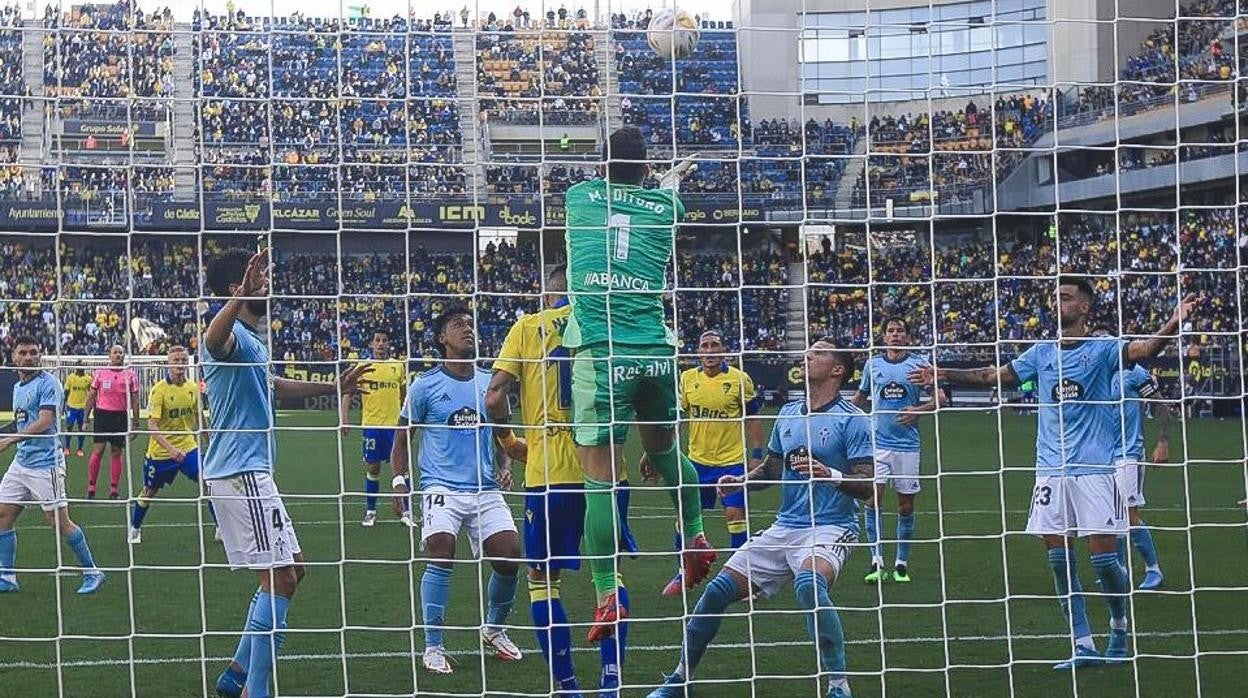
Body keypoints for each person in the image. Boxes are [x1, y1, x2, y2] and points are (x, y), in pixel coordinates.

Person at [909, 278, 1194, 668]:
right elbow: (993, 376)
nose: (1057, 302)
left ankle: (1118, 627)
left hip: (1095, 470)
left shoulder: (1102, 350)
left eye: (1066, 297)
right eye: (1055, 297)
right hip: (1049, 471)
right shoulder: (1041, 354)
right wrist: (942, 372)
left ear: (1084, 308)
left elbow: (1144, 349)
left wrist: (1173, 322)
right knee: (1059, 562)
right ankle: (1082, 644)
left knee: (1104, 563)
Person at [648, 339, 874, 698]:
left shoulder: (853, 419)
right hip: (786, 526)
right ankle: (678, 681)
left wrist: (828, 473)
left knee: (808, 587)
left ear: (838, 369)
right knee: (715, 593)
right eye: (809, 349)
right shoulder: (787, 413)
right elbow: (771, 468)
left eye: (819, 351)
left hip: (832, 527)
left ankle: (838, 687)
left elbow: (869, 485)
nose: (808, 354)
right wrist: (742, 481)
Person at [563, 125, 710, 642]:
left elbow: (612, 191)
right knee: (667, 454)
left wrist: (644, 180)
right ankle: (693, 535)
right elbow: (665, 199)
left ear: (603, 165)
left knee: (599, 476)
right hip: (655, 348)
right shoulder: (663, 208)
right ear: (647, 169)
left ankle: (608, 594)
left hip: (602, 351)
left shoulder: (578, 197)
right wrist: (665, 183)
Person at [203, 248, 371, 698]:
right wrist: (239, 296)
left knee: (295, 569)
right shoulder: (232, 333)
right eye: (259, 277)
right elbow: (211, 340)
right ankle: (252, 690)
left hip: (250, 471)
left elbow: (274, 386)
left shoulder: (254, 343)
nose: (267, 283)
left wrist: (332, 386)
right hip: (240, 471)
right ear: (234, 288)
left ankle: (236, 672)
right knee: (279, 578)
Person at [486, 264, 637, 695]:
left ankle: (567, 684)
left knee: (541, 580)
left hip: (549, 472)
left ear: (546, 295)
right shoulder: (608, 323)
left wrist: (509, 441)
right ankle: (612, 681)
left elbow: (495, 396)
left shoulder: (529, 326)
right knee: (610, 576)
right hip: (606, 467)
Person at [391, 306, 522, 675]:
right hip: (440, 487)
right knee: (441, 551)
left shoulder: (491, 383)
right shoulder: (424, 385)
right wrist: (399, 481)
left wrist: (506, 465)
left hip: (484, 487)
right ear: (441, 338)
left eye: (469, 324)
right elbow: (402, 438)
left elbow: (502, 435)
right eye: (457, 325)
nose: (467, 329)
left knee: (510, 555)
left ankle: (494, 629)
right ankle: (433, 646)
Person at [655, 329, 763, 596]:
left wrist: (756, 455)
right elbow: (677, 420)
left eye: (716, 345)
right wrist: (659, 451)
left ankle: (741, 577)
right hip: (697, 463)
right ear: (699, 351)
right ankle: (684, 572)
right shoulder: (687, 379)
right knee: (686, 519)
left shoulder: (740, 379)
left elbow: (753, 418)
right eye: (705, 345)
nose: (711, 350)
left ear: (723, 350)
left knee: (735, 516)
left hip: (732, 462)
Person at [0, 336, 105, 595]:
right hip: (21, 463)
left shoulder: (49, 383)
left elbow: (45, 421)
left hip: (45, 465)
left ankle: (93, 572)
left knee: (59, 522)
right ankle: (8, 577)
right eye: (23, 353)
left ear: (41, 355)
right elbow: (22, 422)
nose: (28, 357)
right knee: (3, 516)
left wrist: (10, 440)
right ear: (14, 357)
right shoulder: (18, 386)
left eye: (33, 352)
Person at [851, 317, 937, 584]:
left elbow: (941, 399)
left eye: (900, 330)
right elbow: (860, 397)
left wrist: (919, 410)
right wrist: (846, 419)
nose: (896, 334)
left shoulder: (920, 365)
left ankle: (901, 563)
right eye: (891, 331)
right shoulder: (872, 365)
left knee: (906, 505)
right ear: (884, 337)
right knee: (871, 499)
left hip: (908, 447)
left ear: (908, 337)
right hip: (878, 445)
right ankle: (876, 560)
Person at [128, 346, 217, 544]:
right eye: (175, 360)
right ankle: (135, 527)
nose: (179, 364)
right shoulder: (158, 390)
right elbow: (152, 426)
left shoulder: (192, 388)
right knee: (149, 491)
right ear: (168, 363)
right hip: (160, 453)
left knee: (208, 482)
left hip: (187, 447)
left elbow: (199, 418)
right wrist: (170, 449)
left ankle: (220, 527)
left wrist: (211, 443)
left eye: (183, 360)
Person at [1106, 352, 1171, 590]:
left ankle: (1153, 569)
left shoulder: (1134, 372)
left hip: (1128, 452)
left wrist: (1163, 441)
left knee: (1129, 515)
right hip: (1099, 455)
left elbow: (1160, 405)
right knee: (1109, 516)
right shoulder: (1094, 372)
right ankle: (1119, 571)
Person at [341, 330, 407, 527]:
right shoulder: (363, 366)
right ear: (371, 344)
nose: (381, 344)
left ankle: (406, 512)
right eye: (377, 340)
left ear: (389, 344)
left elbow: (404, 396)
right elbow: (347, 393)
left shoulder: (398, 366)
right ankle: (370, 511)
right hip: (372, 425)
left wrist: (408, 420)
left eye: (384, 340)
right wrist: (344, 418)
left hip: (394, 426)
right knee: (373, 467)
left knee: (402, 470)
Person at [85, 345, 140, 499]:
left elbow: (135, 400)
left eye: (121, 352)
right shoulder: (100, 373)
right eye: (115, 352)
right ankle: (91, 486)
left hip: (120, 416)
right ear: (109, 355)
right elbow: (91, 396)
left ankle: (114, 489)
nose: (118, 355)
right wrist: (86, 418)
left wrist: (136, 422)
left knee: (116, 451)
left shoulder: (130, 375)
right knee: (98, 450)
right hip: (102, 415)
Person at [62, 367, 91, 456]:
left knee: (81, 428)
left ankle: (80, 449)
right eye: (78, 368)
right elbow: (66, 392)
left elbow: (92, 393)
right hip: (71, 406)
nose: (79, 370)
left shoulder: (88, 379)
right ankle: (67, 447)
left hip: (83, 407)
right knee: (69, 426)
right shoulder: (71, 377)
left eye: (81, 368)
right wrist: (63, 405)